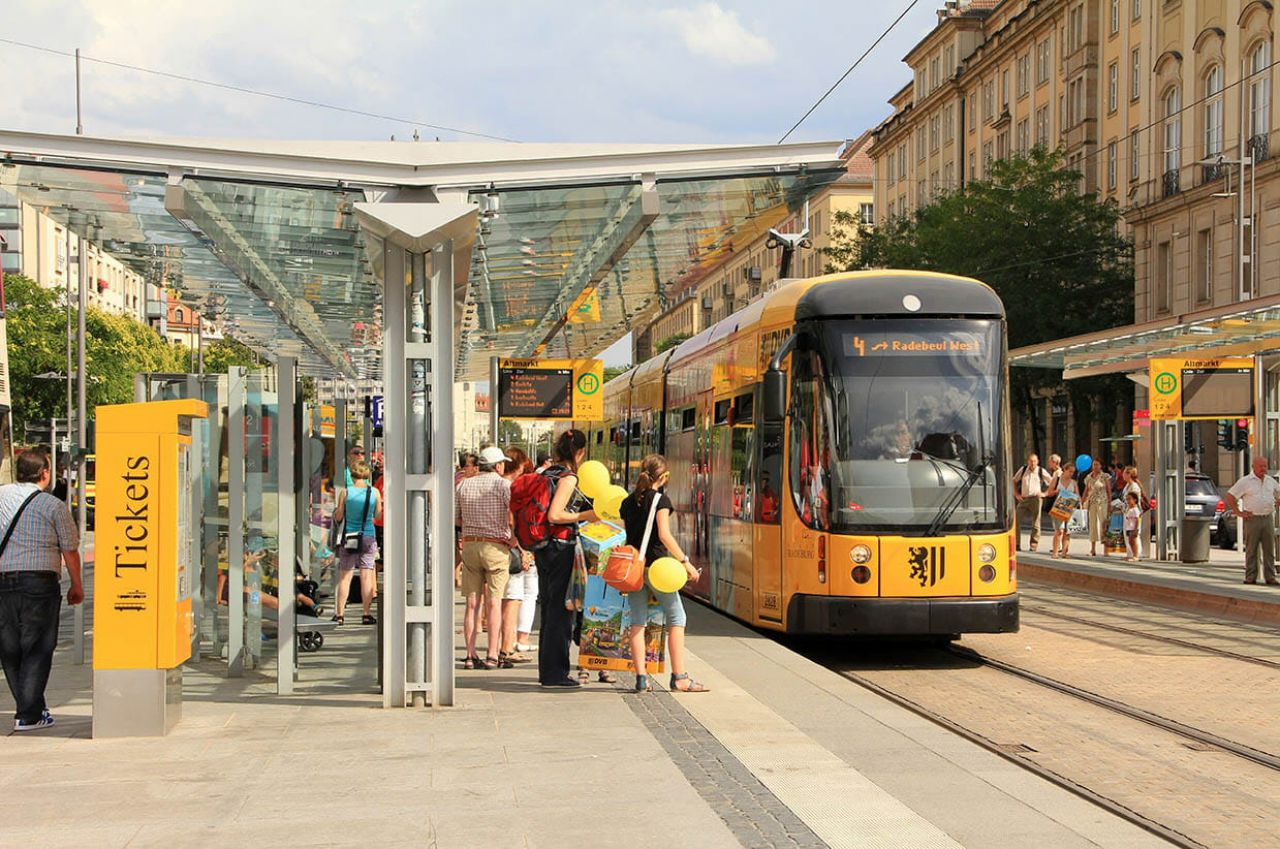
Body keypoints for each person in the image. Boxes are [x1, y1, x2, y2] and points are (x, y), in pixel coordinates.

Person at [0, 450, 83, 731]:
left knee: (10, 647)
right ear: (45, 474)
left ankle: (32, 709)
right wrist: (77, 585)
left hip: (3, 582)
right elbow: (69, 549)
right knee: (37, 647)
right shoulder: (53, 505)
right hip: (39, 583)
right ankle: (29, 714)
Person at [620, 455, 708, 693]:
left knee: (637, 621)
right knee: (677, 617)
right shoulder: (661, 500)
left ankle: (641, 679)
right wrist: (686, 563)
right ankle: (680, 677)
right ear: (664, 476)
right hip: (658, 569)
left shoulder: (628, 502)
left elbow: (628, 535)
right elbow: (664, 535)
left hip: (634, 569)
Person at [534, 429, 598, 687]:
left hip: (543, 547)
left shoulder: (547, 473)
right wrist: (585, 516)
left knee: (549, 610)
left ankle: (547, 670)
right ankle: (555, 674)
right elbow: (555, 515)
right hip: (560, 548)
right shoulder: (568, 477)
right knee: (562, 612)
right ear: (580, 452)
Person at [457, 446, 517, 669]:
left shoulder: (464, 485)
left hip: (470, 545)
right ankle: (492, 654)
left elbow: (457, 518)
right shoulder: (503, 485)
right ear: (498, 465)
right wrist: (514, 539)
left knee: (472, 603)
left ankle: (470, 655)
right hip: (496, 547)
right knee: (494, 603)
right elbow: (513, 515)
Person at [498, 447, 536, 664]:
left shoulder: (493, 484)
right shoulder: (509, 487)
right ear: (518, 465)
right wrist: (523, 550)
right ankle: (507, 648)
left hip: (489, 547)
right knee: (513, 599)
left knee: (500, 599)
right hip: (509, 548)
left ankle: (500, 647)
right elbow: (511, 522)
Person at [333, 460, 381, 625]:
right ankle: (366, 614)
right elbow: (378, 515)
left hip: (350, 537)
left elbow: (339, 516)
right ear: (367, 474)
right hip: (368, 536)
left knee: (345, 577)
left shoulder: (346, 492)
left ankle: (340, 615)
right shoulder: (374, 492)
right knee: (366, 577)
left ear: (352, 475)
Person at [1225, 456, 1280, 585]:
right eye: (1261, 466)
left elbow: (1278, 492)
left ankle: (1270, 577)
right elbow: (1230, 496)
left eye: (1265, 466)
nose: (1263, 469)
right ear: (1253, 467)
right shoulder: (1245, 481)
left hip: (1267, 518)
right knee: (1251, 549)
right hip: (1252, 519)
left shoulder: (1270, 481)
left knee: (1269, 549)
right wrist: (1238, 512)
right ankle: (1250, 576)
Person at [1012, 453, 1052, 552]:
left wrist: (1045, 493)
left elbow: (1052, 482)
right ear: (1028, 462)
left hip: (1036, 498)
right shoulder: (1023, 469)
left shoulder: (1041, 471)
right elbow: (1014, 480)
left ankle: (1033, 544)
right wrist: (1016, 494)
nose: (1032, 463)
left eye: (1034, 461)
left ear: (1037, 461)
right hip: (1024, 498)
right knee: (1016, 520)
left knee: (1036, 522)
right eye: (1031, 461)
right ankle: (1016, 544)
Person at [1046, 462, 1078, 559]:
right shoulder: (1057, 479)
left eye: (1073, 472)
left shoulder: (1073, 482)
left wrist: (1079, 501)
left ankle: (1064, 552)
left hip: (1070, 507)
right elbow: (1049, 492)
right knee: (1059, 530)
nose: (1071, 474)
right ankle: (1055, 552)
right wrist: (1056, 491)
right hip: (1059, 507)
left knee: (1067, 531)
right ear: (1065, 470)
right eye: (1070, 471)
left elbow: (1077, 495)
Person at [1121, 466, 1150, 560]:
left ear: (1129, 474)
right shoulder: (1127, 485)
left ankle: (1136, 554)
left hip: (1134, 513)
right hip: (1127, 512)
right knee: (1127, 533)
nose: (1123, 475)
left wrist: (1126, 505)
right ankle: (1130, 553)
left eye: (1124, 473)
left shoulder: (1134, 486)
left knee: (1134, 534)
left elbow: (1134, 500)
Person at [1083, 463, 1112, 557]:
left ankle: (1106, 549)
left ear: (1101, 466)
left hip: (1102, 502)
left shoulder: (1105, 476)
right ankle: (1093, 549)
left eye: (1097, 465)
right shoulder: (1089, 477)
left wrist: (1110, 503)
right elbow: (1086, 490)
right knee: (1092, 524)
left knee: (1104, 524)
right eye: (1094, 465)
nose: (1095, 467)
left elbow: (1109, 490)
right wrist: (1082, 500)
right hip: (1092, 502)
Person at [1123, 491, 1141, 562]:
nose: (1128, 501)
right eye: (1127, 499)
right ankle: (1133, 555)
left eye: (1129, 499)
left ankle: (1136, 556)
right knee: (1130, 542)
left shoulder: (1135, 509)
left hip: (1133, 528)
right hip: (1129, 527)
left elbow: (1138, 519)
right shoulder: (1130, 509)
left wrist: (1136, 529)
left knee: (1134, 542)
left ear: (1135, 500)